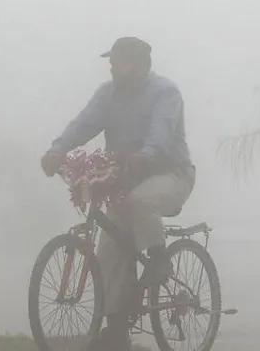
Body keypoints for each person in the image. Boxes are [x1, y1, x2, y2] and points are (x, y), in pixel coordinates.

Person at [39, 36, 195, 350]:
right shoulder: (107, 94)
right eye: (111, 61)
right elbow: (83, 123)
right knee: (108, 252)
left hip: (170, 175)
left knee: (140, 202)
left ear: (136, 65)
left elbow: (161, 130)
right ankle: (115, 327)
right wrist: (58, 149)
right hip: (126, 179)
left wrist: (147, 153)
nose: (111, 66)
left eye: (117, 61)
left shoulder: (165, 92)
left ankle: (159, 259)